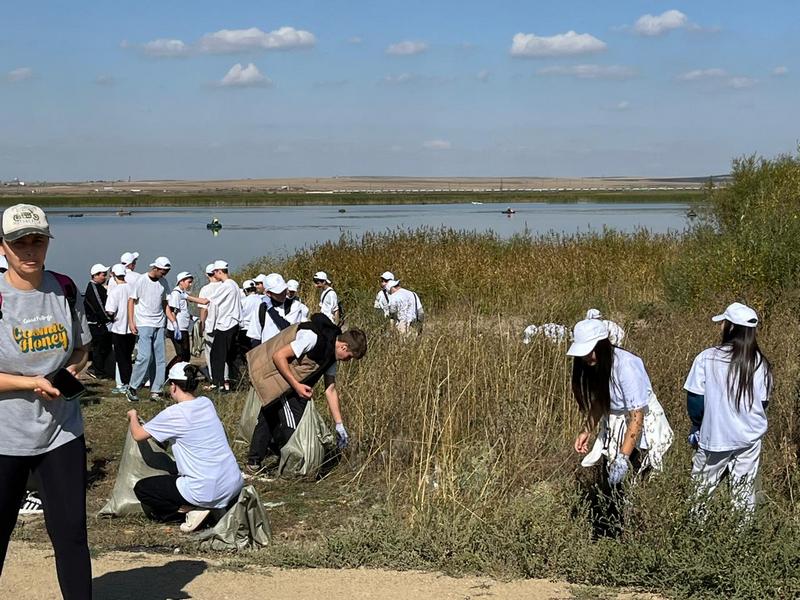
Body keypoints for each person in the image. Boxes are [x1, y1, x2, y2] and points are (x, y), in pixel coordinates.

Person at [0, 203, 93, 599]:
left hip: (62, 432)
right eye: (19, 243)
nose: (29, 251)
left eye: (37, 241)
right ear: (3, 247)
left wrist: (71, 370)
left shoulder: (65, 288)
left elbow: (81, 349)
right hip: (5, 437)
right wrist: (29, 382)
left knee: (71, 532)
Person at [568, 318, 671, 537]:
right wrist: (586, 430)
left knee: (635, 482)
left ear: (603, 345)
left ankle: (637, 534)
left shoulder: (627, 365)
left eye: (591, 351)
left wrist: (624, 457)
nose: (587, 357)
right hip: (614, 425)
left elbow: (636, 416)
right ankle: (613, 533)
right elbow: (599, 400)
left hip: (639, 428)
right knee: (614, 487)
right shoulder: (593, 365)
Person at [127, 362, 243, 532]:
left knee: (143, 489)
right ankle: (210, 506)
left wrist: (133, 415)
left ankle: (190, 510)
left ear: (173, 386)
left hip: (204, 489)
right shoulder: (206, 403)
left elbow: (138, 434)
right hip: (232, 483)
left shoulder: (174, 413)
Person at [246, 314, 367, 472]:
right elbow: (279, 356)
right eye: (349, 357)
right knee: (293, 426)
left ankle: (255, 462)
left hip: (291, 386)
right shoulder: (312, 338)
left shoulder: (331, 356)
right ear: (344, 347)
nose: (347, 361)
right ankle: (290, 467)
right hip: (280, 380)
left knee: (269, 415)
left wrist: (339, 424)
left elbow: (330, 389)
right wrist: (296, 385)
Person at [684, 302, 772, 515]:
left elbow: (695, 399)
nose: (720, 326)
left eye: (723, 322)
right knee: (744, 492)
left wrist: (697, 426)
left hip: (715, 437)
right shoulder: (760, 363)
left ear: (731, 327)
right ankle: (742, 540)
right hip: (749, 438)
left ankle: (696, 536)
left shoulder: (707, 357)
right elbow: (762, 403)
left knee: (701, 490)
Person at [126, 256, 177, 402]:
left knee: (160, 359)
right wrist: (131, 321)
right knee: (145, 356)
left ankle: (157, 391)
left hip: (159, 323)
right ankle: (133, 387)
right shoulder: (142, 280)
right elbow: (131, 300)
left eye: (167, 271)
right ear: (155, 268)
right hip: (144, 322)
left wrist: (173, 321)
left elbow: (165, 304)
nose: (165, 274)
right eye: (163, 271)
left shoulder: (163, 282)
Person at [194, 260, 241, 392]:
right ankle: (224, 382)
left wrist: (185, 296)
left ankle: (218, 383)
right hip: (230, 323)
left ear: (220, 271)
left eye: (215, 272)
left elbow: (205, 303)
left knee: (217, 355)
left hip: (226, 324)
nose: (214, 274)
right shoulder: (233, 284)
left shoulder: (226, 286)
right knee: (224, 355)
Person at [247, 273, 307, 345]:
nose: (283, 294)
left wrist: (271, 309)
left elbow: (288, 329)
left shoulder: (294, 305)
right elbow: (255, 337)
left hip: (288, 351)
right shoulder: (261, 309)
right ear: (268, 293)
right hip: (267, 352)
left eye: (284, 290)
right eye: (279, 292)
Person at [105, 263, 136, 395]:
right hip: (132, 327)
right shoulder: (133, 288)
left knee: (121, 357)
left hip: (118, 327)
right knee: (128, 357)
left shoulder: (115, 291)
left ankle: (124, 383)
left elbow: (110, 311)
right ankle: (130, 381)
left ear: (113, 275)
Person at [84, 262, 115, 379]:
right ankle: (97, 371)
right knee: (99, 347)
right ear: (95, 275)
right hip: (96, 324)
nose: (105, 277)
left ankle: (98, 368)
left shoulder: (98, 287)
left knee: (105, 347)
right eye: (103, 274)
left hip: (101, 323)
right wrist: (108, 319)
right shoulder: (93, 288)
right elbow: (100, 306)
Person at [166, 271, 193, 370]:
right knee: (181, 354)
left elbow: (182, 310)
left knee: (186, 354)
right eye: (188, 282)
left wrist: (191, 317)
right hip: (178, 328)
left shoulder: (182, 293)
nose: (190, 284)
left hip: (183, 327)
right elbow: (172, 311)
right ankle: (167, 373)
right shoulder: (176, 294)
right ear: (181, 281)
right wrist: (175, 326)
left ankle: (182, 374)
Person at [240, 279, 262, 350]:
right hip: (259, 330)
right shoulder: (262, 300)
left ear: (245, 291)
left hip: (245, 329)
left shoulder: (243, 302)